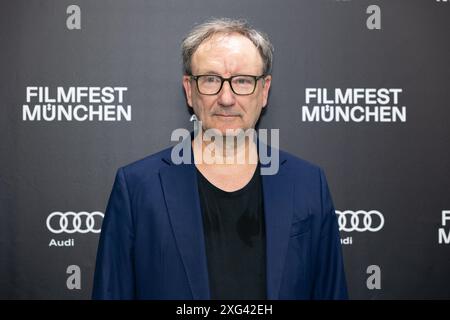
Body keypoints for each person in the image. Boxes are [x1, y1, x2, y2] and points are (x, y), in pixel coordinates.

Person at [92, 18, 348, 300]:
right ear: (190, 90)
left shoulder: (309, 184)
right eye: (211, 79)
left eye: (242, 81)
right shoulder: (137, 188)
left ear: (264, 91)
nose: (226, 98)